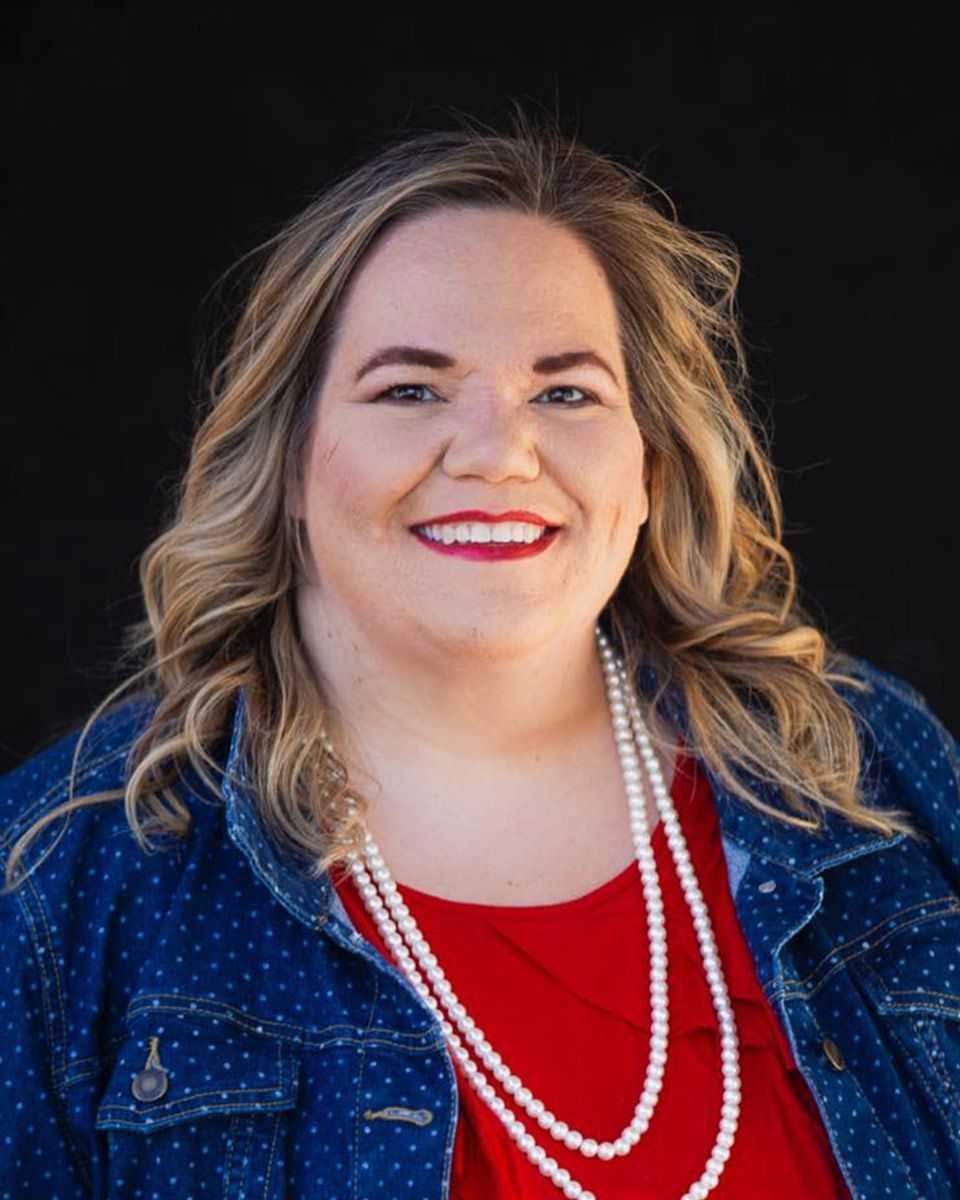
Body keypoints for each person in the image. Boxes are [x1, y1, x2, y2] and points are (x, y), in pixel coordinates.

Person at [1, 106, 958, 1200]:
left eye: (566, 392)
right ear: (290, 458)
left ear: (646, 463)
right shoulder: (60, 885)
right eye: (410, 390)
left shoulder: (865, 769)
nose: (502, 453)